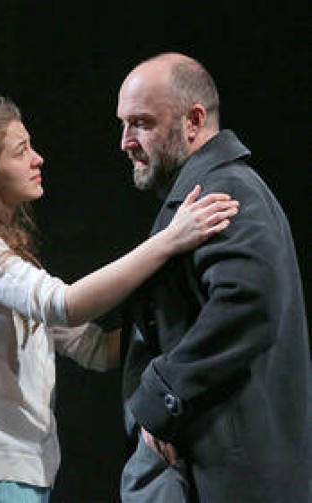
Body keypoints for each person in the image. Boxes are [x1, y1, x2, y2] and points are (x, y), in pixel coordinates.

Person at [0, 97, 238, 503]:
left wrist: (196, 321)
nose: (37, 159)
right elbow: (64, 304)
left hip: (17, 480)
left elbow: (98, 349)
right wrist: (170, 240)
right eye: (21, 151)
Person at [117, 53, 310, 503]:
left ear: (194, 121)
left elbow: (248, 304)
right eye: (123, 124)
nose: (126, 141)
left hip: (232, 477)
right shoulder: (206, 189)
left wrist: (163, 396)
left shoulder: (226, 189)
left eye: (141, 123)